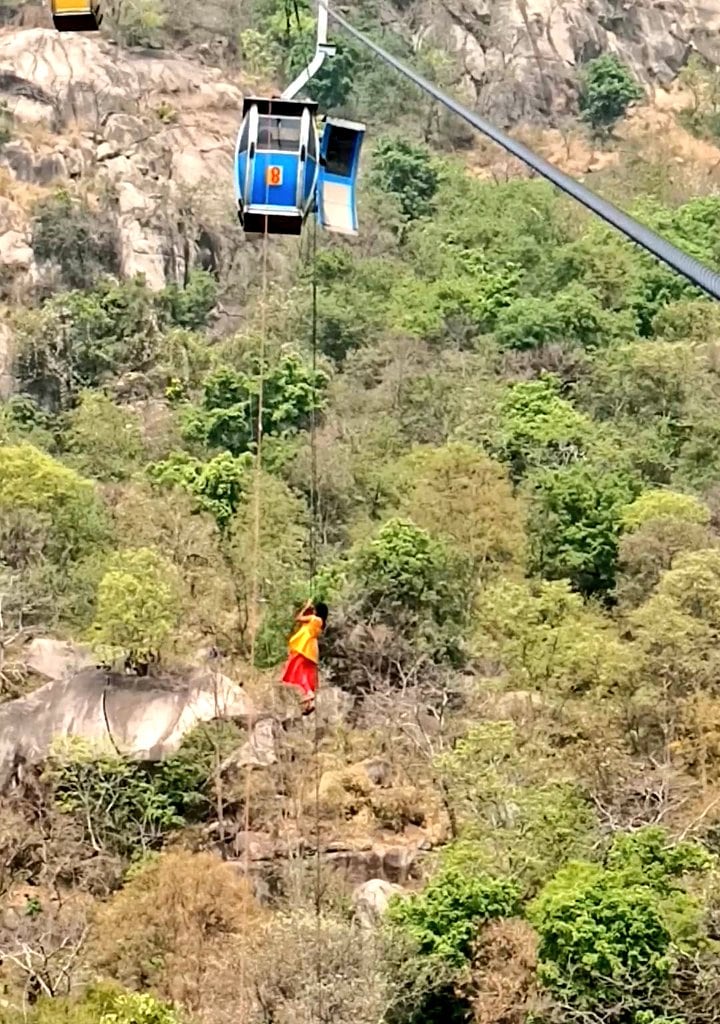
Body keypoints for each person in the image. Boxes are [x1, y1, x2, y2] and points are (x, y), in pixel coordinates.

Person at [280, 600, 328, 715]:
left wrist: (306, 607)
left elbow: (298, 618)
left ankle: (309, 693)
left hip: (304, 648)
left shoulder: (314, 619)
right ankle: (309, 703)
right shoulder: (320, 622)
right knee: (306, 675)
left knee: (298, 671)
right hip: (312, 650)